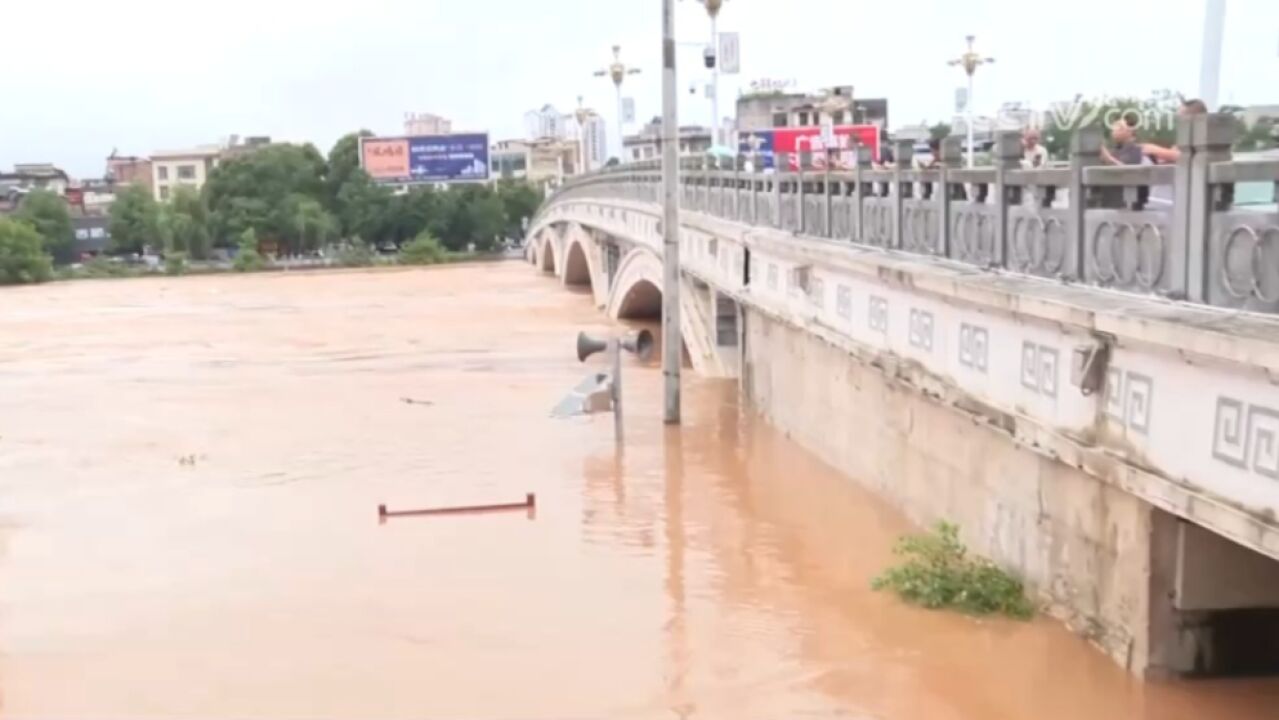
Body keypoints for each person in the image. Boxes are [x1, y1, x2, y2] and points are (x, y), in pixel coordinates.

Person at [1141, 98, 1208, 164]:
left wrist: (1155, 150)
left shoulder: (1204, 138)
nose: (1178, 122)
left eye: (1181, 118)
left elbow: (1190, 157)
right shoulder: (1185, 138)